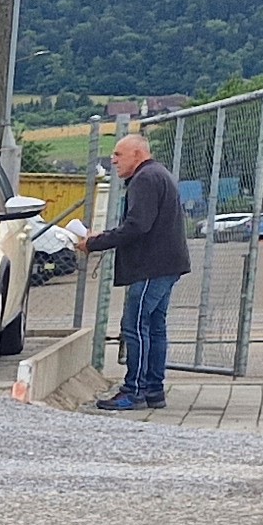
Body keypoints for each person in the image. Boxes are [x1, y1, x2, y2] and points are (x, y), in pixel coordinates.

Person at [83, 132, 189, 411]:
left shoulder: (144, 179)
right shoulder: (158, 175)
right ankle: (154, 390)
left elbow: (137, 226)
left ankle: (135, 391)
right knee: (155, 327)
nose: (113, 159)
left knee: (135, 326)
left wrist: (95, 242)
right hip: (166, 265)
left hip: (152, 267)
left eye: (119, 154)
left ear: (138, 154)